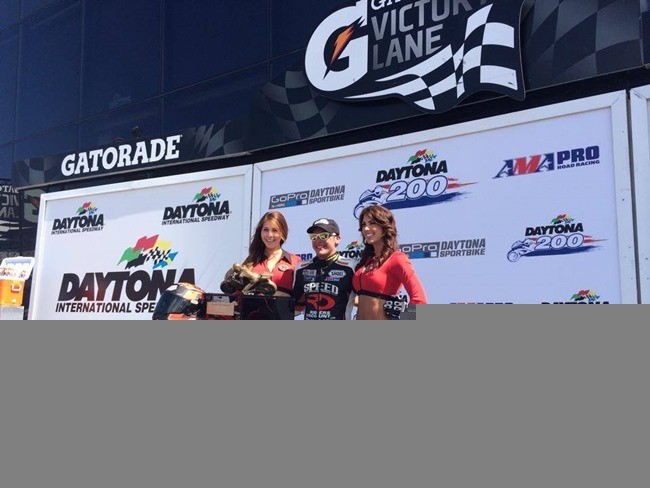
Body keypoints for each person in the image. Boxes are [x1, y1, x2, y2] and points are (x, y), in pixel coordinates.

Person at [353, 205, 427, 320]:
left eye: (372, 223)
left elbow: (420, 300)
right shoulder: (366, 260)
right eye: (363, 224)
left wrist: (403, 319)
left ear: (385, 226)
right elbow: (367, 300)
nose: (366, 228)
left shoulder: (397, 258)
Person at [292, 218, 355, 320]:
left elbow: (365, 299)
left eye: (324, 236)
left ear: (337, 238)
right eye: (313, 237)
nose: (318, 240)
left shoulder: (350, 267)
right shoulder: (301, 268)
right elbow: (294, 304)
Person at [241, 211, 301, 296]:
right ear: (260, 232)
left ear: (283, 233)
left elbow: (300, 297)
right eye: (266, 230)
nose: (270, 235)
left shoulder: (295, 261)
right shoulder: (251, 261)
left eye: (274, 230)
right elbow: (238, 296)